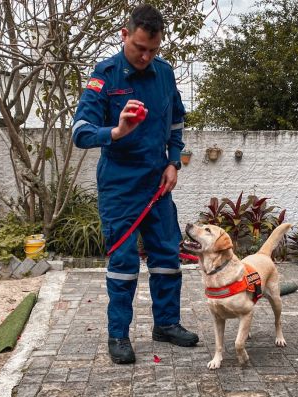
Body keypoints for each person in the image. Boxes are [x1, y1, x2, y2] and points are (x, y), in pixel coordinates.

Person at [72, 4, 198, 364]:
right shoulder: (105, 75)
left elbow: (175, 123)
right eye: (139, 47)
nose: (145, 56)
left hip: (158, 184)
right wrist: (115, 131)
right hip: (120, 187)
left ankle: (167, 324)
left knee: (166, 257)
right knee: (124, 263)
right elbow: (79, 132)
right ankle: (118, 336)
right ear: (125, 35)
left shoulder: (164, 73)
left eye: (153, 49)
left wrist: (174, 162)